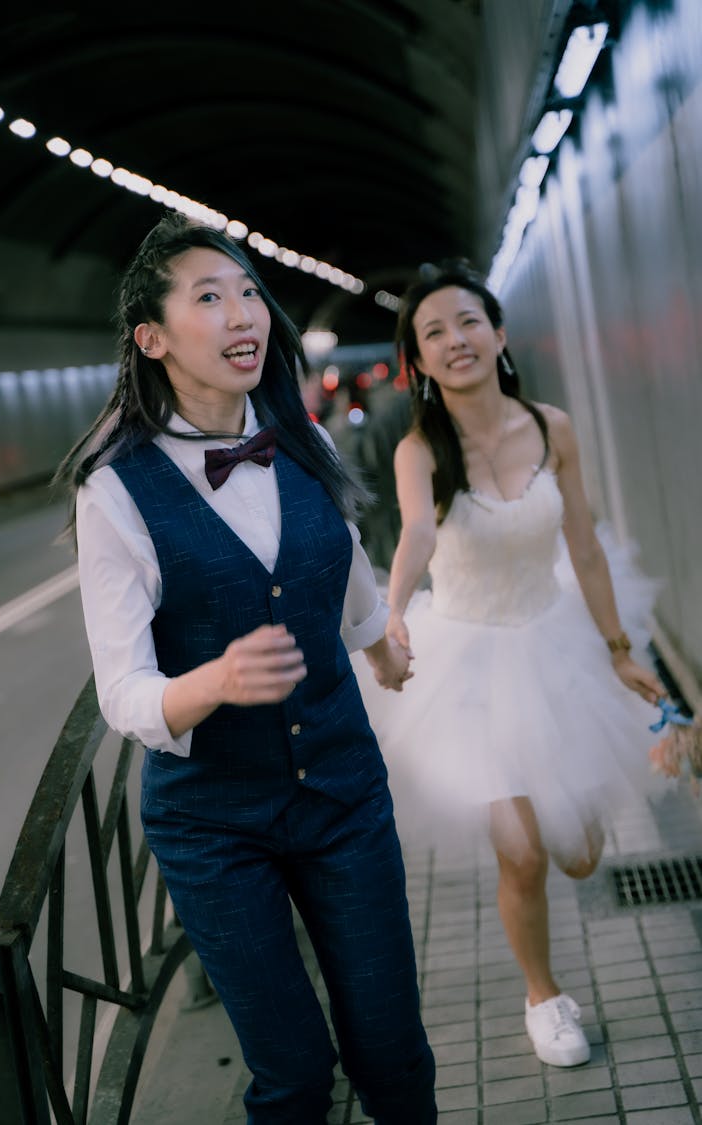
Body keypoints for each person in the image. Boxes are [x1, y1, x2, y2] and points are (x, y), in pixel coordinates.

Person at [55, 212, 437, 1125]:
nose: (244, 315)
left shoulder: (306, 438)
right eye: (209, 297)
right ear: (151, 339)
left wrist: (379, 638)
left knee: (393, 1050)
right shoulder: (114, 488)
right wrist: (214, 682)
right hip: (215, 826)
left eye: (248, 294)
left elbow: (341, 569)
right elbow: (125, 692)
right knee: (293, 1075)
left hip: (344, 792)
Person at [352, 260, 664, 1070]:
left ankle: (575, 821)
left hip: (554, 640)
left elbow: (585, 546)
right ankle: (544, 998)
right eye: (433, 332)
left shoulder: (552, 426)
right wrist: (391, 613)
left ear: (497, 332)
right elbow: (416, 535)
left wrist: (619, 651)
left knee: (580, 852)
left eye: (467, 321)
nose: (455, 339)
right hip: (468, 664)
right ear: (418, 361)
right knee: (520, 851)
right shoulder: (421, 449)